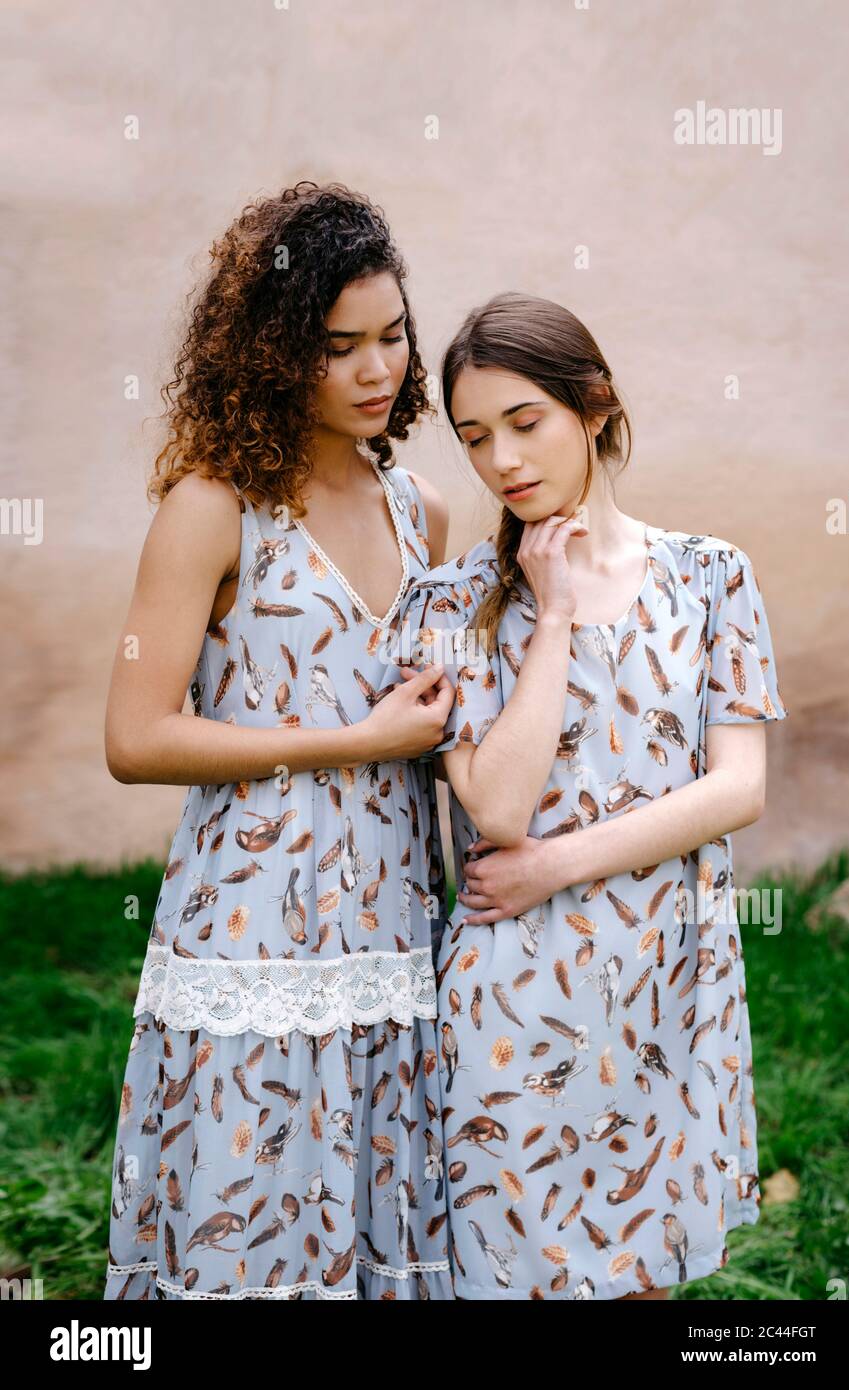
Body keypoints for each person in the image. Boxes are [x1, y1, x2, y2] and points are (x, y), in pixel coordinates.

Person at [388, 290, 788, 1301]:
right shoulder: (447, 604)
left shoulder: (709, 578)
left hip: (664, 982)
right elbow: (500, 814)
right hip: (513, 996)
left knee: (639, 1272)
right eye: (474, 438)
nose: (501, 462)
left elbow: (736, 787)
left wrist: (555, 868)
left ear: (594, 407)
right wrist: (552, 616)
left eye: (525, 423)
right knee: (514, 1271)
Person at [102, 182, 456, 1301]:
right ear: (270, 352)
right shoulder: (214, 506)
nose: (375, 370)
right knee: (253, 1219)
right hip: (253, 921)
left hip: (392, 914)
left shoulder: (422, 511)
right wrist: (356, 738)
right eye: (336, 345)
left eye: (392, 336)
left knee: (372, 1208)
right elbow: (135, 733)